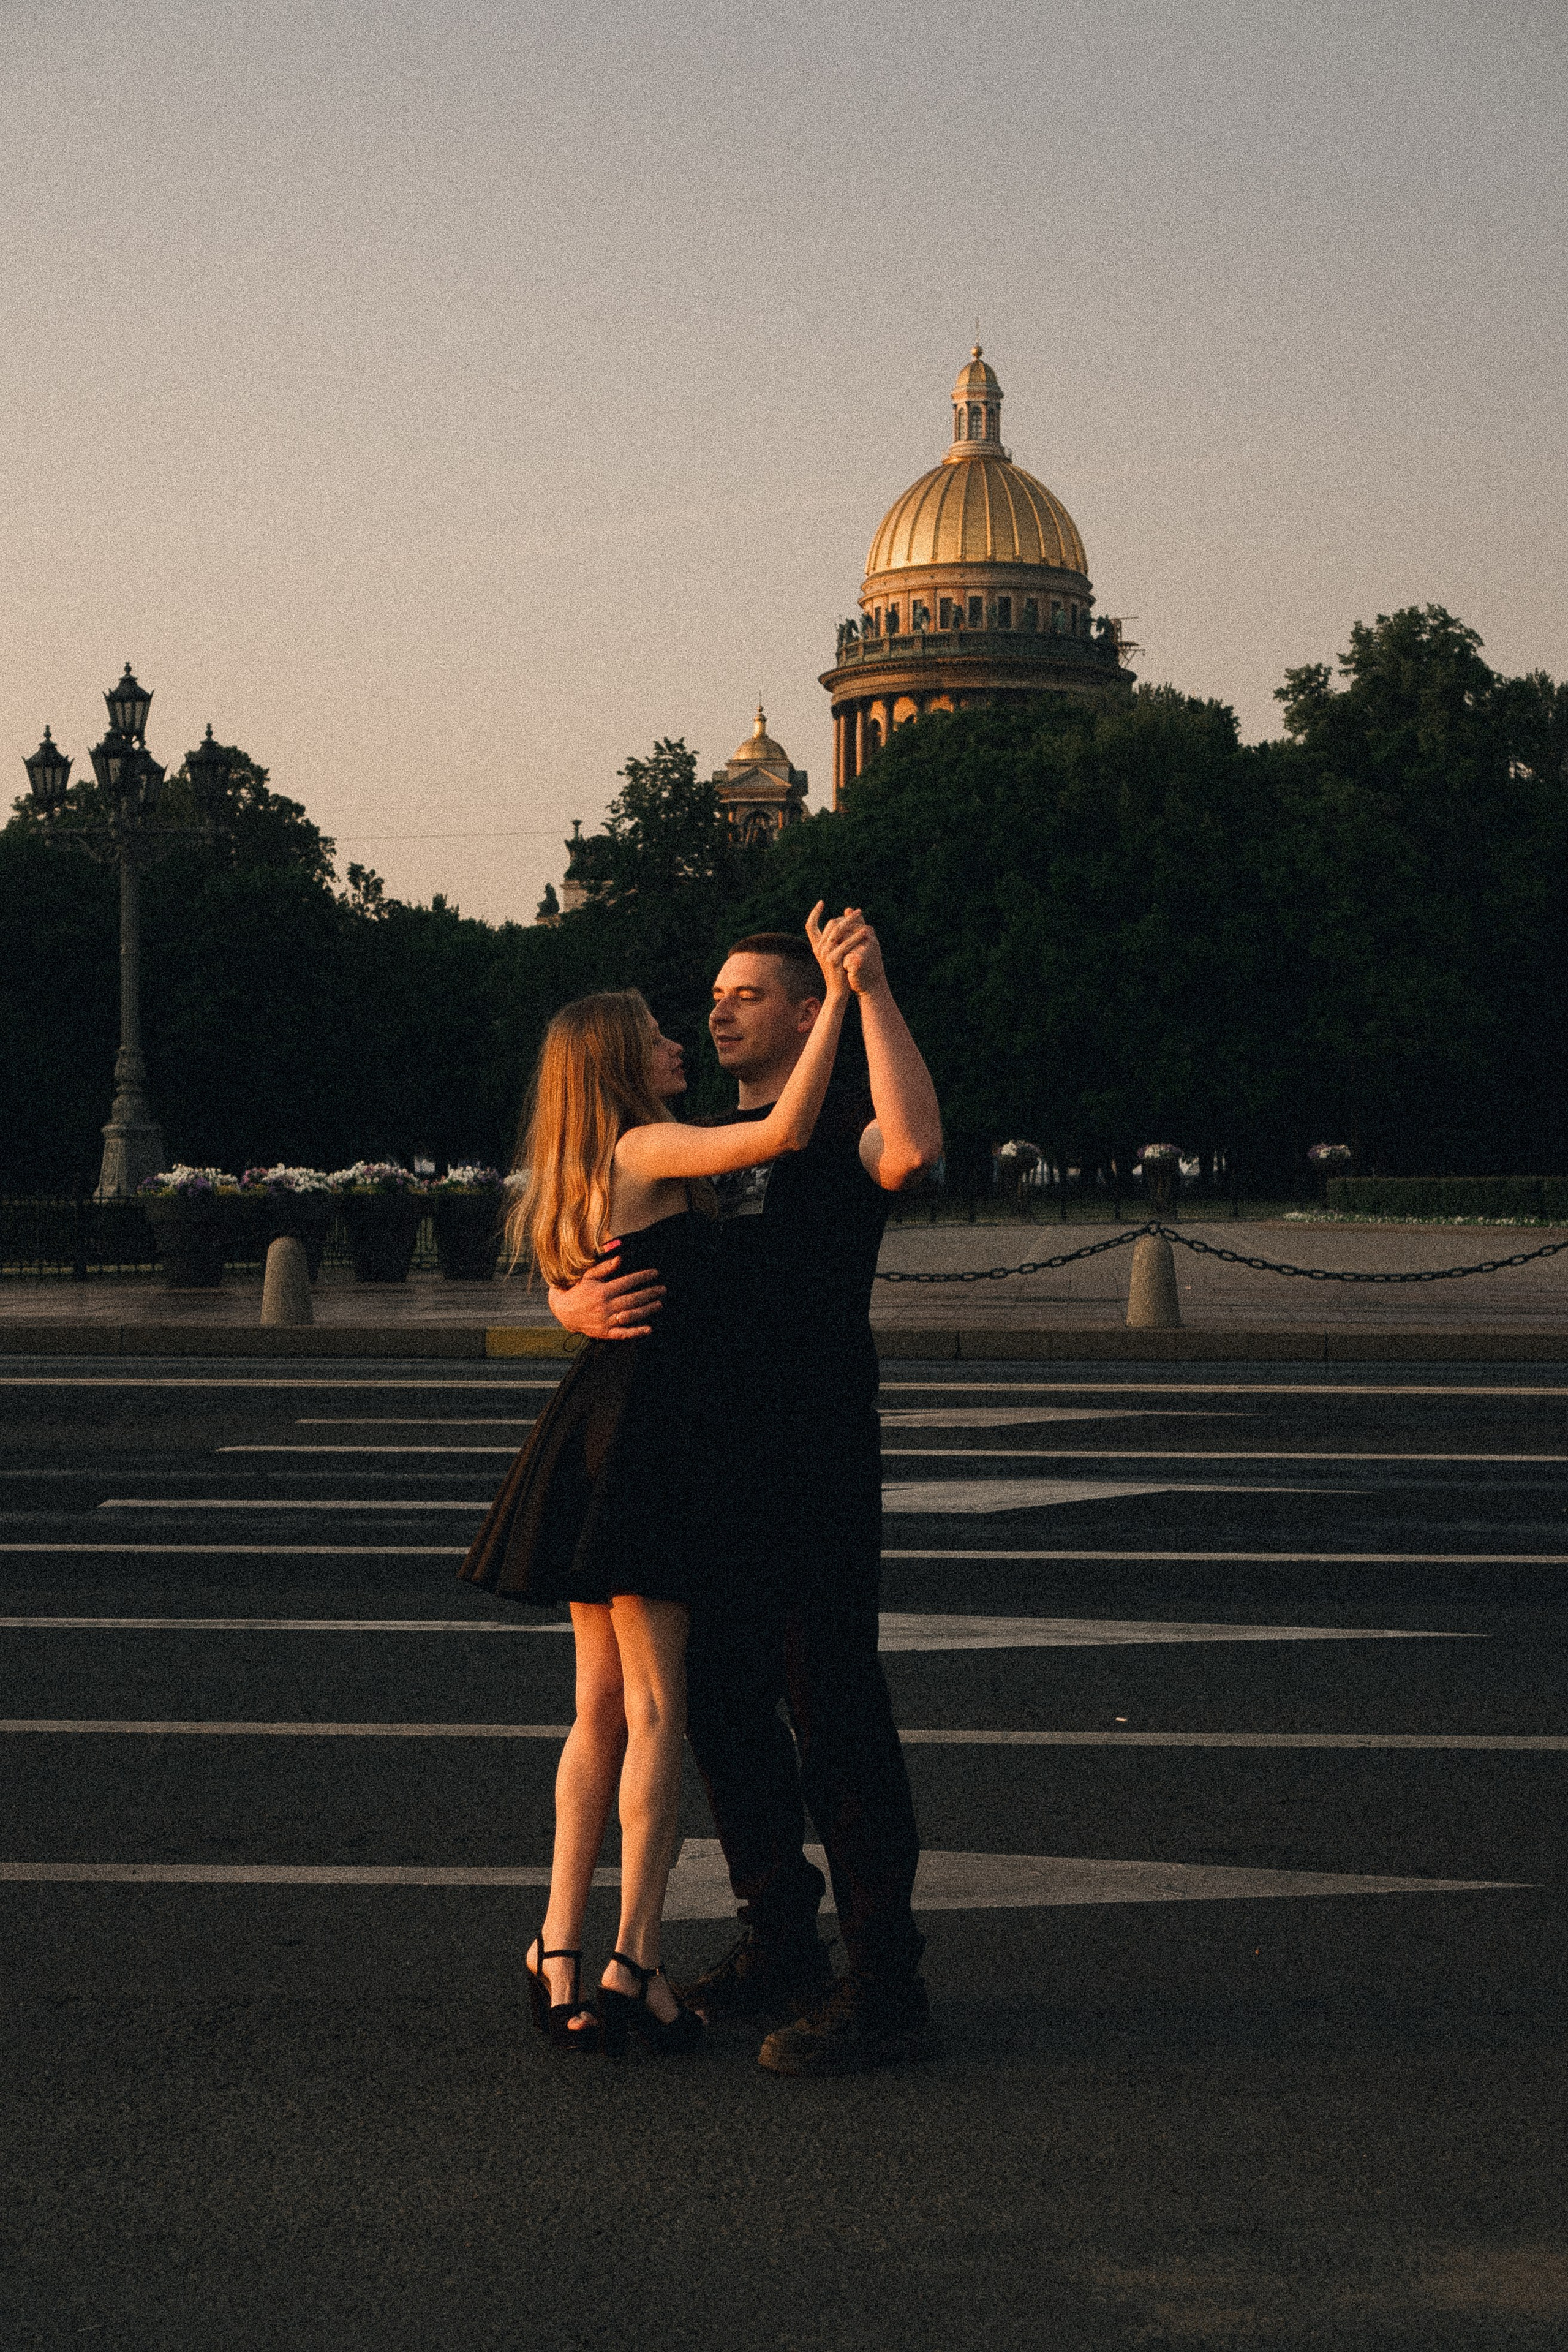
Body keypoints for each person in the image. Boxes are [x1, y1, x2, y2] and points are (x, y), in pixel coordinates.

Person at [459, 907, 861, 2057]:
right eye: (655, 1034)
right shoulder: (645, 1147)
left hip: (596, 1436)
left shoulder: (583, 1166)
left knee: (595, 1711)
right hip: (655, 1445)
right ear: (618, 1064)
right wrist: (834, 997)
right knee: (655, 1709)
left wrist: (563, 1303)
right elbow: (786, 1133)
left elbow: (576, 1279)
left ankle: (558, 1950)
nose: (680, 1039)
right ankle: (637, 1962)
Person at [548, 919, 944, 2076]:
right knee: (719, 1708)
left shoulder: (840, 1126)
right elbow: (595, 1221)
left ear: (807, 1015)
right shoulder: (704, 1138)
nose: (719, 1012)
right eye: (713, 995)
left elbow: (914, 1150)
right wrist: (570, 1302)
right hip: (704, 1465)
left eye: (750, 996)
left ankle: (885, 1980)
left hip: (814, 1455)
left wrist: (870, 987)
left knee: (833, 1709)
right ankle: (779, 1938)